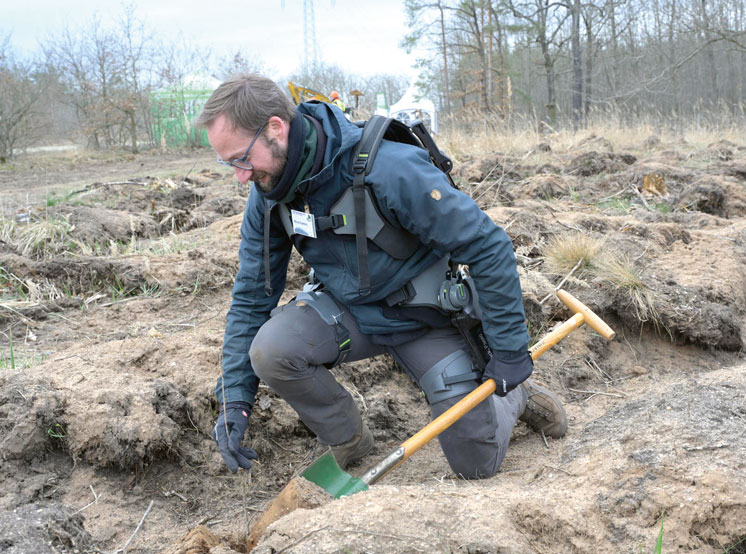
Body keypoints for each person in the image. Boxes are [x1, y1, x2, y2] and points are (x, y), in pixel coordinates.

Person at [195, 74, 567, 479]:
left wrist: (510, 352)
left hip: (425, 317)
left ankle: (515, 399)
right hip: (349, 311)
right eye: (228, 163)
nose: (240, 175)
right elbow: (252, 296)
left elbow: (487, 246)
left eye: (241, 159)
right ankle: (347, 437)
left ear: (275, 129)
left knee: (476, 465)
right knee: (272, 350)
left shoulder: (388, 167)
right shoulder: (269, 194)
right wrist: (234, 402)